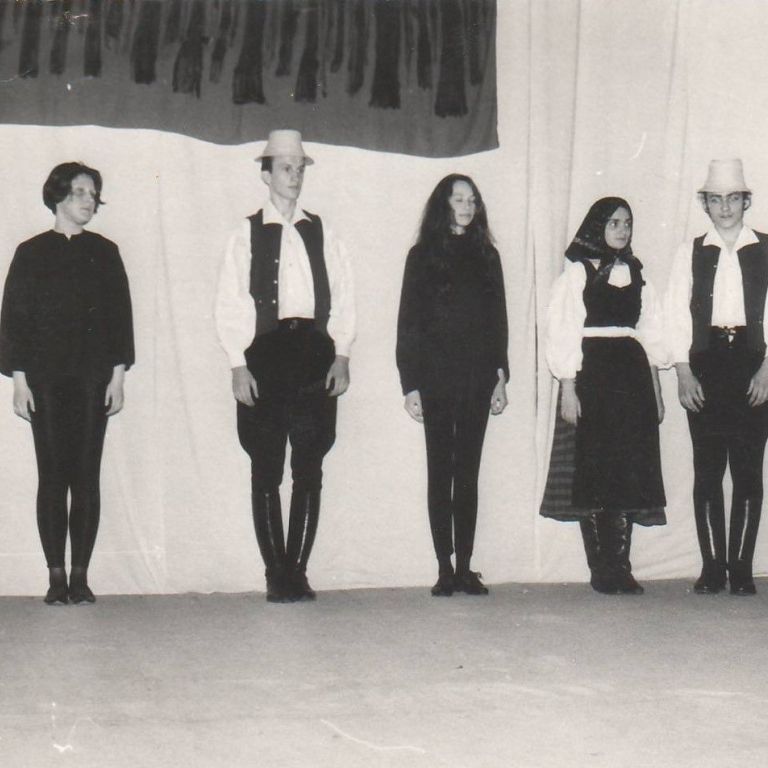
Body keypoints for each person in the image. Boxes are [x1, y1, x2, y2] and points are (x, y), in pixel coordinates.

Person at [215, 129, 355, 603]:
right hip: (265, 355)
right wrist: (238, 363)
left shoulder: (323, 231)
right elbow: (229, 301)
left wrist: (341, 353)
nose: (294, 176)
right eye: (285, 168)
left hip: (315, 354)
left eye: (299, 169)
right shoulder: (246, 232)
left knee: (310, 465)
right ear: (266, 174)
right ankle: (276, 572)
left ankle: (298, 570)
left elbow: (344, 296)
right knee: (266, 464)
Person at [0, 162, 134, 605]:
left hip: (94, 379)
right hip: (45, 380)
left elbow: (120, 318)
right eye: (79, 192)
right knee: (53, 477)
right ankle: (56, 576)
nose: (88, 201)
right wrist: (20, 381)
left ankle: (81, 576)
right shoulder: (30, 252)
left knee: (87, 477)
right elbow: (14, 321)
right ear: (57, 196)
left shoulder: (106, 252)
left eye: (93, 194)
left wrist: (117, 376)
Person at [540, 197, 666, 595]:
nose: (622, 230)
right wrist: (568, 386)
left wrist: (656, 389)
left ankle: (621, 566)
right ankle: (602, 568)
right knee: (595, 470)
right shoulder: (579, 273)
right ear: (598, 227)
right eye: (614, 222)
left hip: (631, 377)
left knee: (628, 468)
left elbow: (650, 332)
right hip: (592, 376)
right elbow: (562, 330)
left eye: (627, 223)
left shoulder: (638, 273)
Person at [396, 174, 508, 597]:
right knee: (440, 471)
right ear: (442, 204)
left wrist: (500, 375)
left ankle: (465, 567)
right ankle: (444, 567)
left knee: (469, 474)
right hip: (436, 378)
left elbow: (498, 321)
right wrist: (410, 383)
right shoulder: (421, 256)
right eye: (458, 199)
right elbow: (408, 323)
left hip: (478, 376)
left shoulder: (488, 256)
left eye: (472, 200)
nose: (466, 206)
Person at [666, 159, 768, 596]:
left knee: (747, 470)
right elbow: (674, 313)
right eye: (715, 199)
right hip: (705, 365)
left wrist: (767, 369)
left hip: (752, 365)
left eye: (733, 198)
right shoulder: (690, 252)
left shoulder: (765, 248)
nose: (725, 207)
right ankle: (712, 567)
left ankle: (741, 569)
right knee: (707, 469)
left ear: (745, 201)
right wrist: (683, 371)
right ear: (704, 204)